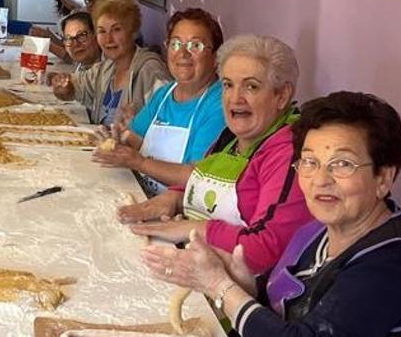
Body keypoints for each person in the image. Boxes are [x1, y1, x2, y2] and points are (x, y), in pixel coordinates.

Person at [142, 91, 401, 336]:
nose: (321, 179)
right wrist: (243, 282)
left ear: (383, 178)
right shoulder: (314, 232)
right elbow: (280, 310)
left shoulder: (395, 265)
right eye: (309, 162)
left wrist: (220, 286)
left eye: (342, 164)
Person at [119, 34, 313, 274]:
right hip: (196, 264)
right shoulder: (231, 137)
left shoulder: (289, 153)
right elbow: (202, 176)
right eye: (228, 85)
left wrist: (196, 229)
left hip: (235, 292)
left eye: (251, 86)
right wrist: (171, 199)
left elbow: (266, 249)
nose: (235, 98)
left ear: (281, 96)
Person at [93, 9, 226, 197]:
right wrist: (116, 139)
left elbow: (198, 178)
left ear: (215, 58)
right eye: (175, 44)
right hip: (141, 194)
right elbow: (136, 140)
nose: (183, 53)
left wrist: (139, 163)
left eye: (195, 45)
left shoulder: (220, 105)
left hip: (180, 212)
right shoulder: (164, 94)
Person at [52, 0, 171, 125]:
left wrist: (133, 137)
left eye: (116, 30)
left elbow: (167, 126)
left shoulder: (151, 72)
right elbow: (76, 87)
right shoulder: (106, 68)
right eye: (102, 31)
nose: (108, 39)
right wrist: (64, 87)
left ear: (133, 32)